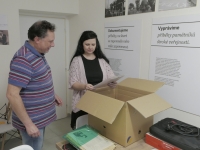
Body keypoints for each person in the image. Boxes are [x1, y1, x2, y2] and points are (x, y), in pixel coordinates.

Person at [6, 20, 63, 150]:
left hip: (39, 119)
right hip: (32, 121)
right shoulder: (24, 59)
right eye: (50, 41)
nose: (53, 44)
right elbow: (11, 94)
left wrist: (51, 94)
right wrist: (29, 124)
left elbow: (37, 80)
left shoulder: (37, 54)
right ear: (37, 39)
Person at [69, 31, 117, 130]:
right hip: (84, 101)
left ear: (96, 45)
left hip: (100, 101)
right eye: (87, 44)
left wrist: (112, 83)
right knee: (82, 130)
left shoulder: (102, 60)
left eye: (93, 44)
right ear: (81, 44)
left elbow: (111, 77)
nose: (90, 47)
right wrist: (84, 86)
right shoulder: (77, 60)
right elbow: (73, 83)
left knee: (97, 129)